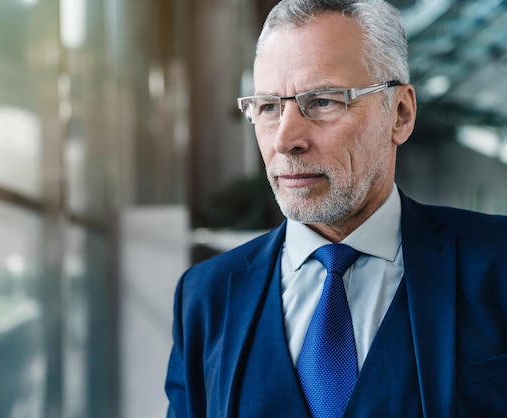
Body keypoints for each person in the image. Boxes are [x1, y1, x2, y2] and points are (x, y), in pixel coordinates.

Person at [165, 0, 507, 416]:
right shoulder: (205, 298)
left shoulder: (497, 264)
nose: (284, 139)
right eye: (269, 107)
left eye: (323, 101)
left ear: (400, 114)